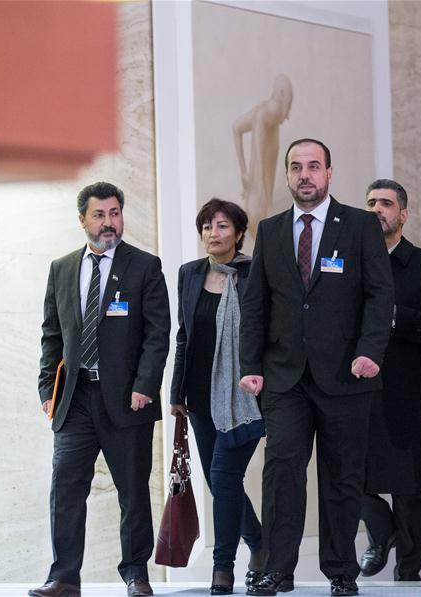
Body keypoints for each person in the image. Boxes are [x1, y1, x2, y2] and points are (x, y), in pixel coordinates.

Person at [239, 139, 394, 597]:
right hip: (284, 377)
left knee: (342, 475)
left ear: (329, 173)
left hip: (347, 374)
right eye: (295, 167)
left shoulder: (361, 226)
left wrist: (371, 351)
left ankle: (341, 572)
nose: (304, 175)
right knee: (282, 470)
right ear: (287, 176)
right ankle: (277, 569)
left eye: (313, 166)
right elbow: (256, 305)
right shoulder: (269, 231)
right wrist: (251, 364)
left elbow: (379, 294)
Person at [33, 182, 170, 597]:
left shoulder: (145, 266)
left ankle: (135, 574)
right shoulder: (61, 268)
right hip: (74, 400)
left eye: (115, 213)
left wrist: (145, 385)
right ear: (82, 220)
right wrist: (46, 388)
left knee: (132, 491)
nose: (109, 222)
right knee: (66, 490)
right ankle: (64, 577)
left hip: (128, 400)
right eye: (100, 215)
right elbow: (51, 334)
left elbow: (157, 334)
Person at [169, 199, 265, 594]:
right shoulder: (190, 273)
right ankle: (260, 543)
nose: (213, 233)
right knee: (217, 480)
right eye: (207, 226)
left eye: (223, 226)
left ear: (239, 233)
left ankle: (222, 567)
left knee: (225, 477)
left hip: (243, 397)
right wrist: (176, 392)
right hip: (199, 396)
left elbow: (266, 333)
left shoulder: (254, 274)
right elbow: (184, 335)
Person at [359, 179, 421, 581]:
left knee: (409, 488)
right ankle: (381, 531)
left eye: (386, 203)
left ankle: (409, 575)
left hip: (408, 387)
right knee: (348, 474)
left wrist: (390, 318)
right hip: (355, 388)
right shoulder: (348, 262)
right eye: (370, 202)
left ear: (402, 215)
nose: (377, 209)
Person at [233, 74, 293, 238]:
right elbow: (259, 159)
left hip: (261, 194)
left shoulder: (267, 114)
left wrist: (244, 172)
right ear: (281, 95)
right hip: (259, 197)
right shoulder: (265, 114)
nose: (287, 114)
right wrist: (267, 201)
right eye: (288, 100)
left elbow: (237, 127)